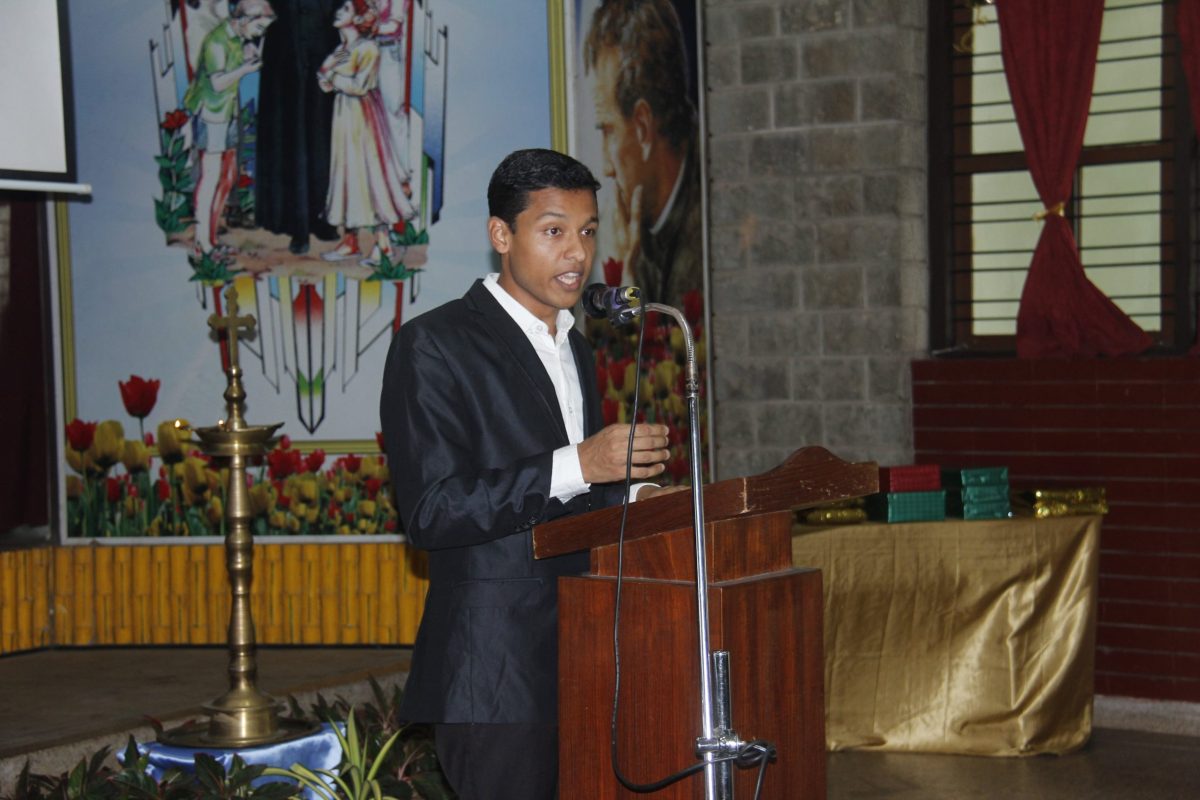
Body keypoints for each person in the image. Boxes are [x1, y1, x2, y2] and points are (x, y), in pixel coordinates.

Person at [379, 148, 678, 799]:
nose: (577, 252)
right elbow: (433, 511)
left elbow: (575, 494)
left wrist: (642, 496)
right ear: (501, 235)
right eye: (553, 230)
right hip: (495, 672)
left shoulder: (574, 344)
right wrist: (582, 462)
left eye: (588, 231)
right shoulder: (434, 345)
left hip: (586, 648)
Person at [585, 0, 702, 306]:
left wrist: (626, 280)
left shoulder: (712, 219)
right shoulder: (627, 229)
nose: (606, 168)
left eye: (608, 131)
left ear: (643, 127)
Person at [317, 0, 415, 266]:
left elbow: (359, 86)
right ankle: (350, 241)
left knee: (371, 177)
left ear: (358, 18)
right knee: (346, 175)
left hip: (363, 120)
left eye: (345, 10)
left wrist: (332, 78)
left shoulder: (367, 48)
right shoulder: (343, 49)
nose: (337, 13)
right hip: (344, 119)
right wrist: (328, 73)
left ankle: (383, 246)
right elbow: (324, 77)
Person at [184, 0, 277, 257]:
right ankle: (202, 242)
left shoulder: (236, 39)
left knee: (226, 177)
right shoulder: (216, 41)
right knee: (211, 177)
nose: (259, 34)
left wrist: (248, 57)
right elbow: (217, 83)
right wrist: (245, 69)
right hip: (211, 114)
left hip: (226, 112)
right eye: (259, 28)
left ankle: (211, 239)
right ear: (244, 19)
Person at [254, 0, 343, 255]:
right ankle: (296, 225)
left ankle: (322, 218)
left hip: (323, 50)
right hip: (285, 56)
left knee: (322, 136)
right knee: (290, 138)